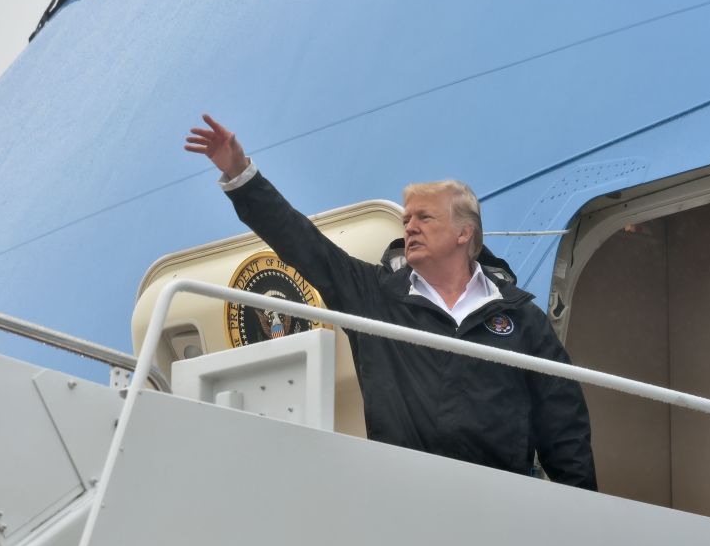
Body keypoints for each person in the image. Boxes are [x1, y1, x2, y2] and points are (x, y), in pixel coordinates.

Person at [185, 114, 597, 490]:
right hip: (401, 498)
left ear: (464, 233)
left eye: (425, 218)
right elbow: (302, 244)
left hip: (503, 501)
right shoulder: (373, 296)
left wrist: (582, 517)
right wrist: (241, 175)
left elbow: (563, 424)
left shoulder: (520, 317)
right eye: (407, 219)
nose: (410, 226)